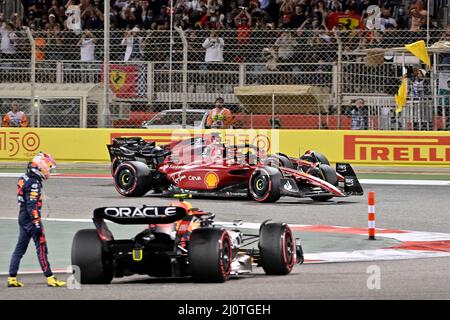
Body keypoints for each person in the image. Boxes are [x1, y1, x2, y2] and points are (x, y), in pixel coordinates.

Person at [8, 152, 66, 288]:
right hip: (31, 219)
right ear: (41, 166)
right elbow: (32, 205)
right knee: (41, 248)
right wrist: (36, 223)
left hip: (22, 217)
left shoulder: (23, 177)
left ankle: (12, 277)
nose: (48, 171)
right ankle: (50, 278)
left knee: (19, 249)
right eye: (48, 167)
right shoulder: (34, 183)